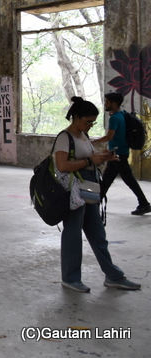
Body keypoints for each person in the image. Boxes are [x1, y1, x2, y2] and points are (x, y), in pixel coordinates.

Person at [54, 96, 141, 293]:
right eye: (88, 122)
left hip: (90, 187)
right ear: (76, 117)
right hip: (74, 190)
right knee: (73, 235)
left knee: (98, 233)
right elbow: (62, 165)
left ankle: (113, 276)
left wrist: (105, 157)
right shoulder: (64, 138)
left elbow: (90, 157)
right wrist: (89, 161)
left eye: (93, 122)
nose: (91, 126)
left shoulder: (83, 136)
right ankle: (70, 278)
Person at [91, 92, 151, 215]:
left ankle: (144, 203)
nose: (105, 104)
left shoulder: (114, 118)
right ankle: (95, 204)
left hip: (117, 154)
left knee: (127, 180)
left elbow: (109, 136)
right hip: (121, 152)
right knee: (107, 179)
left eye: (107, 102)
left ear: (114, 103)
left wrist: (93, 141)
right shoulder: (122, 114)